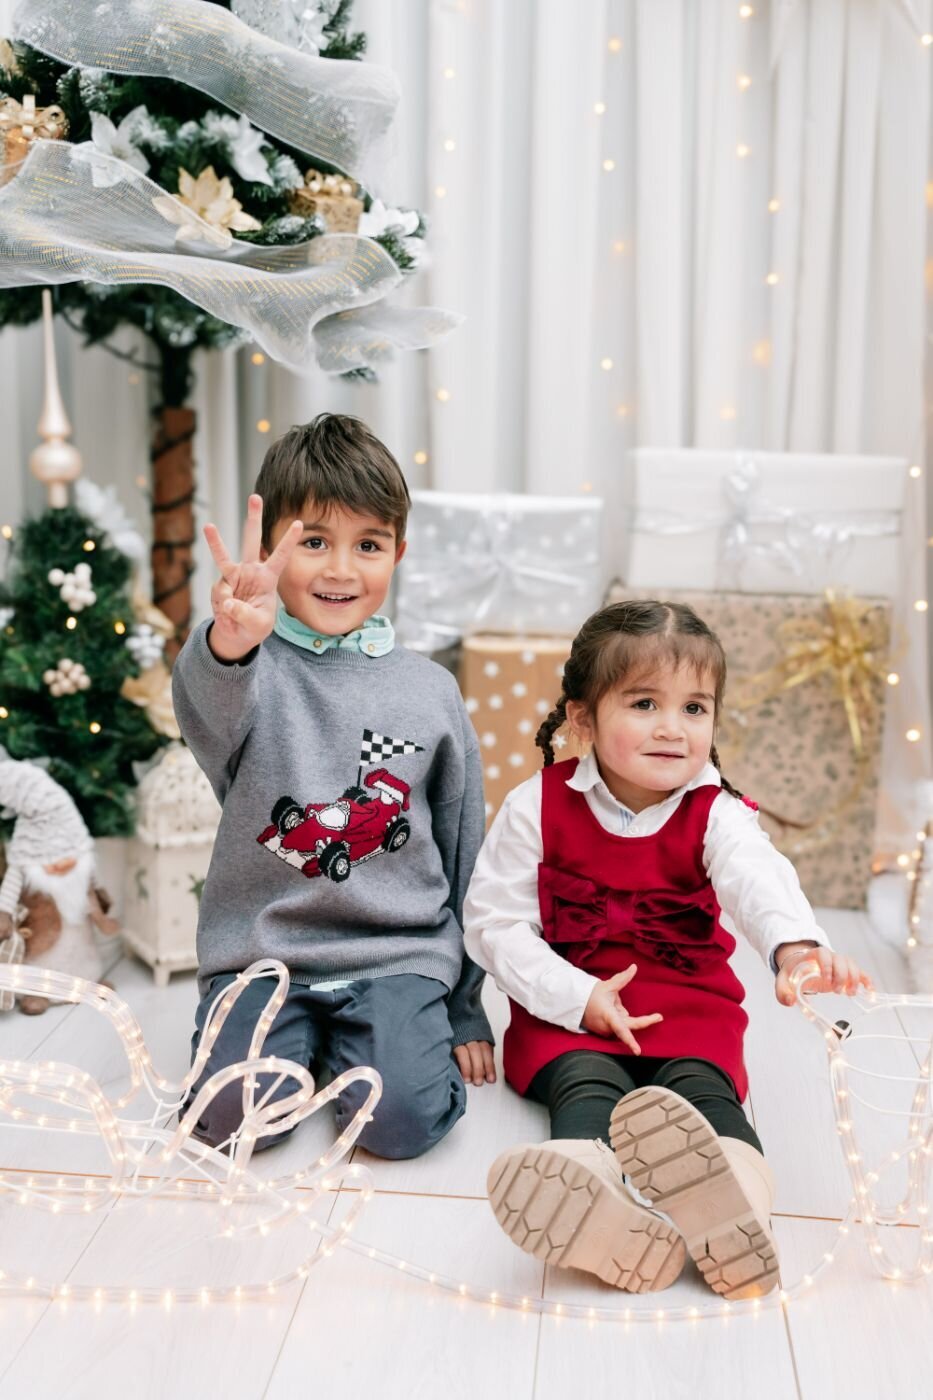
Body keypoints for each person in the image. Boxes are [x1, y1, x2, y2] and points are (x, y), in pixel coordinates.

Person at [464, 599, 872, 1299]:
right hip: (576, 1008)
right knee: (582, 1084)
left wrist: (794, 947)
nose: (672, 729)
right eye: (645, 703)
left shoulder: (715, 811)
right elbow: (492, 924)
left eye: (693, 709)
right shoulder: (537, 803)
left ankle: (738, 1200)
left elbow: (758, 880)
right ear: (583, 718)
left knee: (704, 1090)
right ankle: (593, 1195)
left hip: (686, 1005)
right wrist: (576, 997)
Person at [173, 414, 495, 1161]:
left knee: (400, 1124)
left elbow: (462, 843)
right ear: (273, 550)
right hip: (262, 949)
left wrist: (466, 1008)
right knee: (230, 1122)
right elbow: (205, 715)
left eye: (368, 545)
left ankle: (356, 1046)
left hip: (394, 951)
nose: (340, 570)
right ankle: (296, 1047)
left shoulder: (429, 690)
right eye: (313, 541)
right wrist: (228, 642)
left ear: (398, 554)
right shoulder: (248, 667)